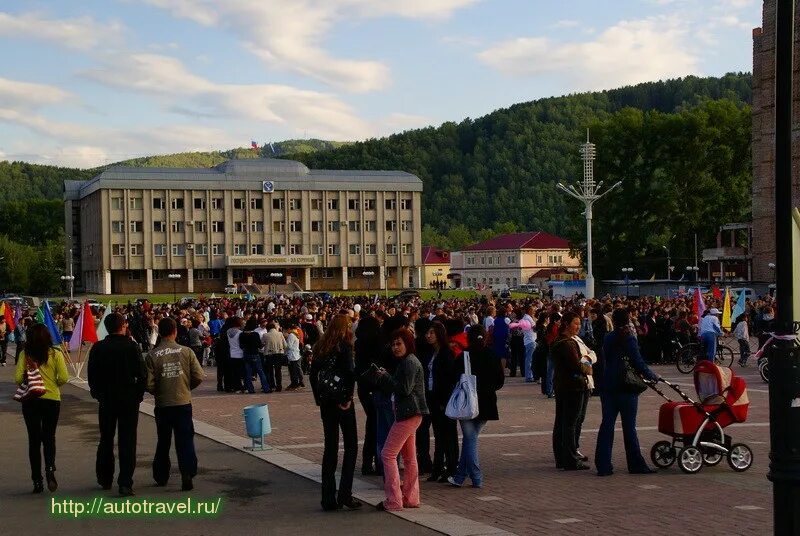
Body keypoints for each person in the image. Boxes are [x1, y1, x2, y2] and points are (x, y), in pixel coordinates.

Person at [87, 312, 147, 496]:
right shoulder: (131, 347)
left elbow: (92, 375)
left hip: (106, 398)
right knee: (127, 440)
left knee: (106, 438)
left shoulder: (98, 348)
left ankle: (104, 477)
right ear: (123, 326)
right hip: (128, 398)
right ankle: (125, 482)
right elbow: (142, 374)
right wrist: (138, 394)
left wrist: (97, 393)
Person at [594, 308, 659, 476]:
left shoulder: (608, 337)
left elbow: (607, 358)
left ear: (613, 321)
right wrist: (652, 376)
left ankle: (603, 465)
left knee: (607, 425)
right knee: (629, 427)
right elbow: (638, 362)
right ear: (628, 319)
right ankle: (635, 463)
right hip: (626, 386)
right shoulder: (628, 338)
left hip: (609, 385)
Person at [146, 317, 205, 491]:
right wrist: (187, 387)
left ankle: (161, 475)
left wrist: (159, 391)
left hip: (163, 403)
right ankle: (187, 472)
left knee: (163, 441)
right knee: (185, 439)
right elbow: (199, 376)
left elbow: (149, 384)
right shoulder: (186, 351)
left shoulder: (152, 355)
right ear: (175, 331)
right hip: (182, 401)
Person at [309, 314, 361, 511]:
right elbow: (349, 373)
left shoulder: (321, 347)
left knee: (330, 447)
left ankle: (328, 497)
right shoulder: (345, 346)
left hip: (326, 402)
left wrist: (319, 398)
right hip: (342, 401)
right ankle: (345, 494)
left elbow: (314, 375)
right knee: (350, 446)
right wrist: (347, 398)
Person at [375, 328, 429, 511]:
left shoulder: (409, 363)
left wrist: (385, 377)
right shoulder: (408, 362)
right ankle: (410, 497)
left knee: (387, 454)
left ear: (408, 343)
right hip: (410, 413)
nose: (395, 348)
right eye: (393, 344)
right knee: (409, 457)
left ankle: (394, 499)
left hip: (408, 413)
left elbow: (403, 389)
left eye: (399, 343)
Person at [447, 325, 504, 488]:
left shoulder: (463, 357)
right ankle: (459, 476)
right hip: (487, 402)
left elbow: (453, 377)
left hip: (467, 401)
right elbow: (500, 380)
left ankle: (476, 476)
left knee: (469, 438)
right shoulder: (492, 354)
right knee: (470, 439)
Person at [15, 323, 68, 493]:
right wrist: (53, 384)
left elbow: (17, 378)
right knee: (49, 437)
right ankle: (50, 470)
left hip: (31, 399)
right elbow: (64, 377)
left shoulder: (25, 354)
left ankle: (37, 480)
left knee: (34, 440)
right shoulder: (56, 353)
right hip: (51, 398)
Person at [551, 311, 592, 470]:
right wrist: (588, 367)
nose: (578, 327)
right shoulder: (567, 343)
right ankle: (570, 458)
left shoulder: (560, 341)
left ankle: (562, 457)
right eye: (575, 323)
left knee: (562, 422)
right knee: (570, 423)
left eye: (579, 324)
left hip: (563, 385)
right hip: (573, 386)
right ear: (566, 324)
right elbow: (578, 365)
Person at [424, 321, 458, 482]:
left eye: (432, 333)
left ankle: (451, 467)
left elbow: (449, 378)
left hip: (444, 398)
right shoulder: (432, 352)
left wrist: (444, 399)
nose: (428, 336)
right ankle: (438, 468)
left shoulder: (446, 353)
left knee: (448, 434)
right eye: (427, 333)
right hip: (432, 396)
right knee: (438, 434)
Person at [354, 315, 383, 475]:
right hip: (376, 386)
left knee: (371, 423)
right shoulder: (377, 342)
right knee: (378, 425)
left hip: (364, 387)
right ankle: (378, 462)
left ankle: (367, 461)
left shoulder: (359, 343)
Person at [239, 317, 270, 394]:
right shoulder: (255, 334)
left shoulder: (242, 334)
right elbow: (259, 345)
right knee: (260, 371)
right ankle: (266, 388)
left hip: (246, 354)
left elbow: (241, 346)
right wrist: (263, 344)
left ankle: (250, 389)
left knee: (248, 373)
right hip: (255, 354)